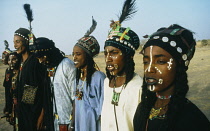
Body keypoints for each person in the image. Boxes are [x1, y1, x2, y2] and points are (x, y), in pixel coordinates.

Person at [133, 24, 210, 131]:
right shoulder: (143, 109)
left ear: (179, 65)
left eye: (160, 61)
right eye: (146, 62)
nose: (149, 69)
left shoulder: (192, 119)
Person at [101, 0, 143, 130]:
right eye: (106, 53)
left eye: (114, 53)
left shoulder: (139, 87)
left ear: (129, 56)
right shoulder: (107, 82)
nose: (108, 59)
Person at [32, 37, 76, 131]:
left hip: (68, 120)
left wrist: (73, 123)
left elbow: (75, 98)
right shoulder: (49, 67)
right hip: (55, 119)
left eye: (42, 57)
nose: (40, 61)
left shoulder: (67, 65)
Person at [72, 17, 106, 131]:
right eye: (73, 54)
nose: (74, 58)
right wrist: (72, 124)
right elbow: (76, 105)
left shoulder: (99, 77)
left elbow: (102, 111)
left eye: (78, 54)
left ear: (87, 55)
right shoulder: (78, 78)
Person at [13, 28, 48, 130]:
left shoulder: (35, 62)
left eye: (18, 42)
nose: (15, 45)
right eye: (14, 42)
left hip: (34, 113)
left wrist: (42, 115)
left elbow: (43, 90)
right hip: (23, 112)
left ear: (27, 41)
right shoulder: (20, 62)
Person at [7, 51, 21, 130]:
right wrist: (8, 110)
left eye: (14, 59)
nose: (11, 62)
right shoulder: (9, 73)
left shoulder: (22, 72)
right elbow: (7, 92)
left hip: (22, 106)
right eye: (9, 60)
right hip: (14, 106)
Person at [1, 41, 13, 122]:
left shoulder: (14, 72)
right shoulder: (7, 70)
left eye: (4, 57)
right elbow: (7, 92)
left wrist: (10, 109)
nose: (2, 59)